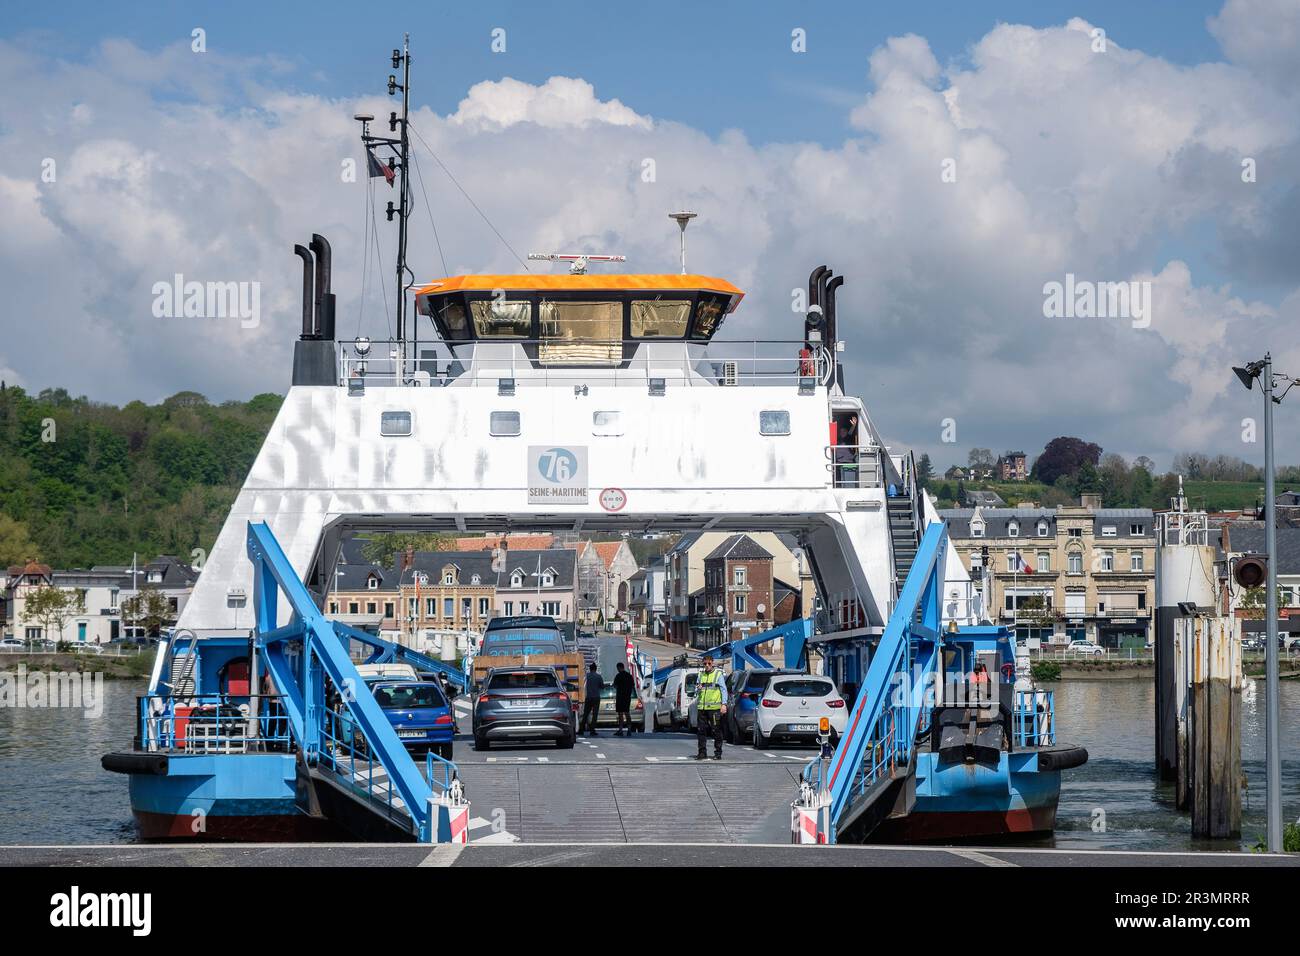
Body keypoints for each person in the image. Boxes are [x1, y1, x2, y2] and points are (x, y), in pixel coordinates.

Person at [695, 654, 728, 760]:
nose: (707, 665)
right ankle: (702, 753)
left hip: (714, 708)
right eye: (705, 664)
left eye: (709, 663)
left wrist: (724, 704)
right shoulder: (701, 675)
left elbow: (723, 690)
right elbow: (696, 691)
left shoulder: (718, 674)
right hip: (702, 708)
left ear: (712, 663)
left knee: (716, 730)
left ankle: (718, 753)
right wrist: (698, 689)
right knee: (701, 730)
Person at [580, 663, 604, 736]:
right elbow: (602, 686)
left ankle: (581, 729)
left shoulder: (586, 676)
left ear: (590, 669)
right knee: (595, 714)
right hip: (596, 697)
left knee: (586, 714)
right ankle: (592, 730)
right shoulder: (598, 676)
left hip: (588, 697)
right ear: (595, 669)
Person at [612, 662, 635, 736]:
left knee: (620, 714)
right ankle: (629, 730)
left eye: (617, 668)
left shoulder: (618, 676)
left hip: (620, 697)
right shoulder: (629, 676)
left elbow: (615, 685)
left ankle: (621, 730)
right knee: (627, 713)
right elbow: (632, 686)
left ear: (619, 667)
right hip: (627, 697)